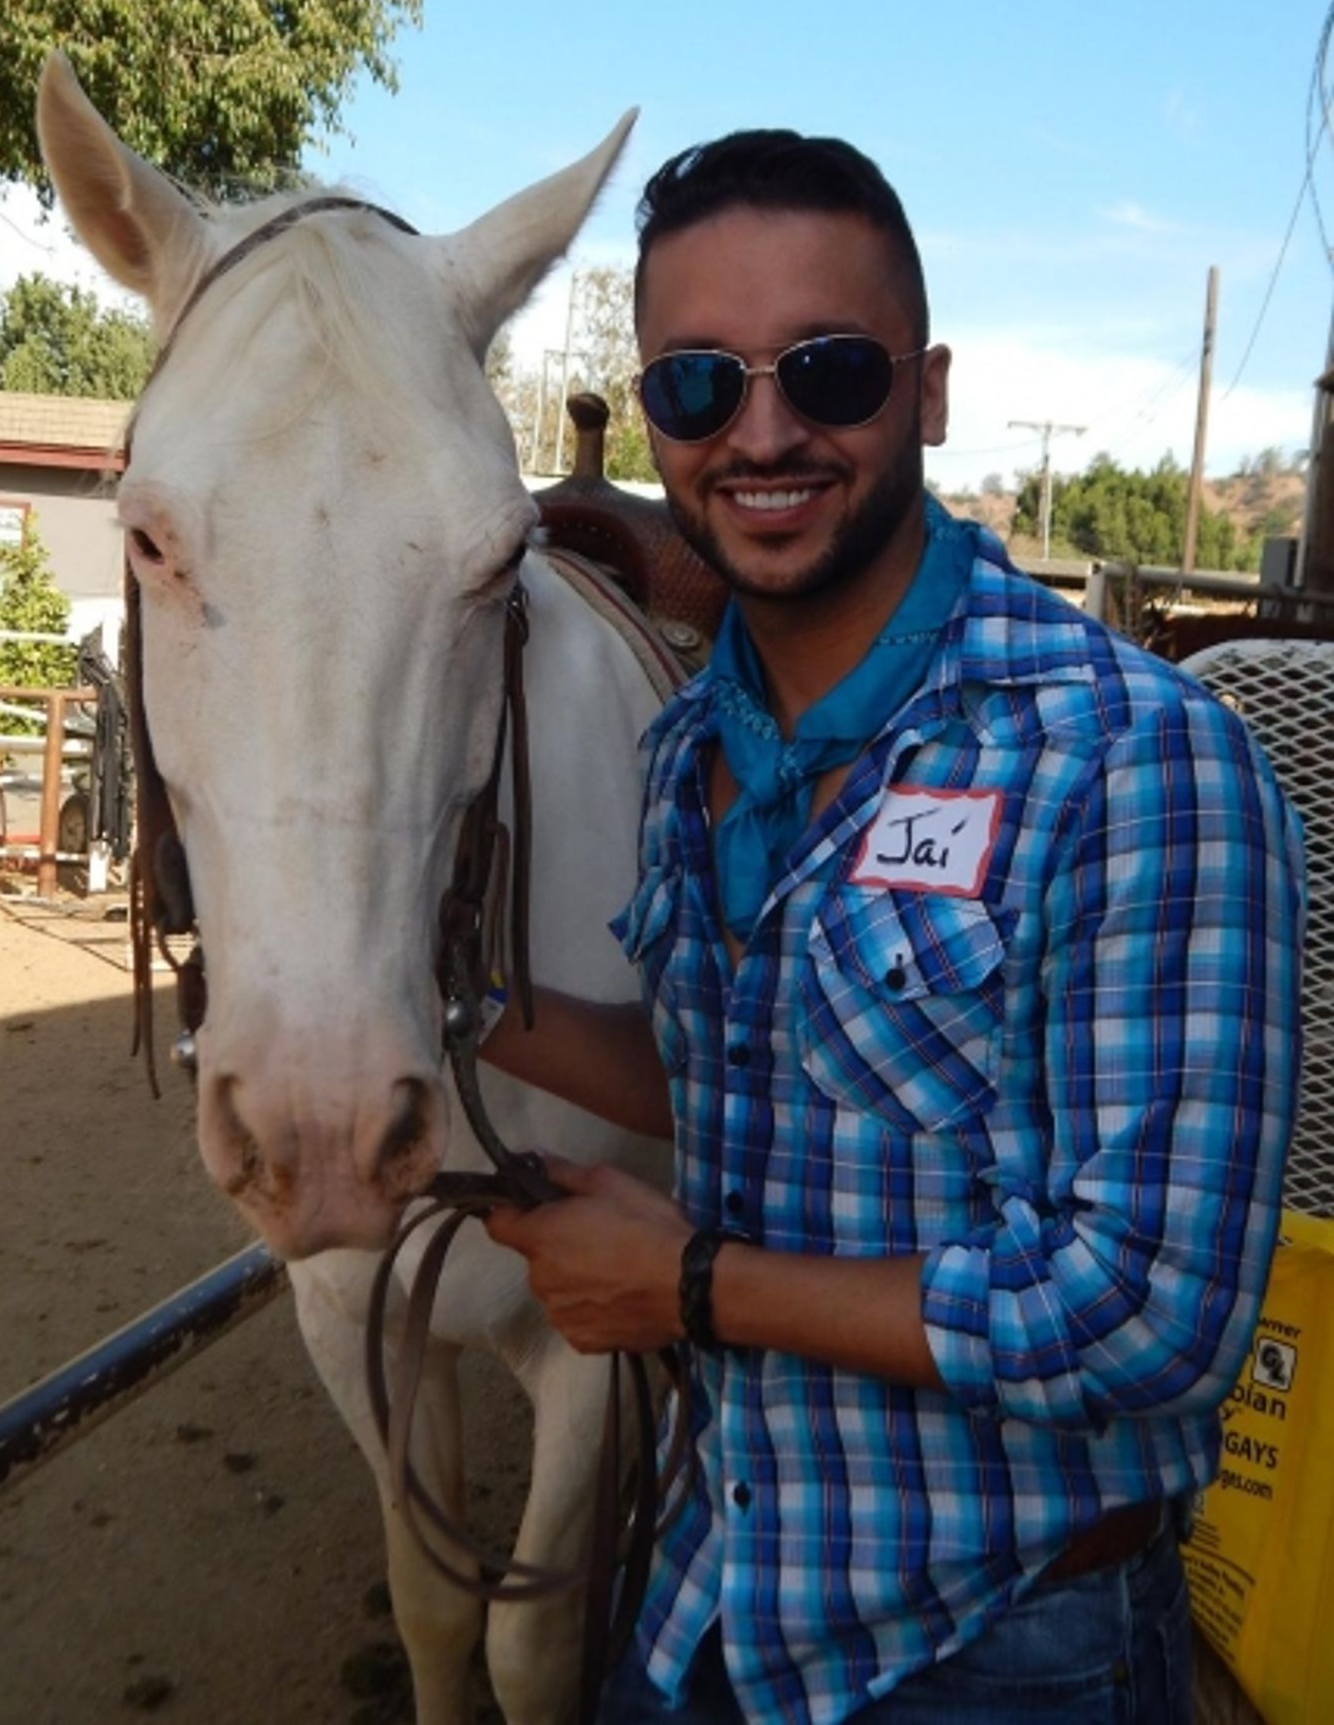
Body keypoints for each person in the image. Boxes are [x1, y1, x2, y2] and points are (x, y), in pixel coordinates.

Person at [481, 130, 1304, 1724]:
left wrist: (693, 1286)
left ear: (925, 394)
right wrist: (455, 998)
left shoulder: (1134, 760)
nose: (761, 433)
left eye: (830, 370)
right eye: (699, 384)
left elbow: (1148, 1313)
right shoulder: (691, 751)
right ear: (653, 417)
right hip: (708, 1607)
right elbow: (732, 1072)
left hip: (999, 1651)